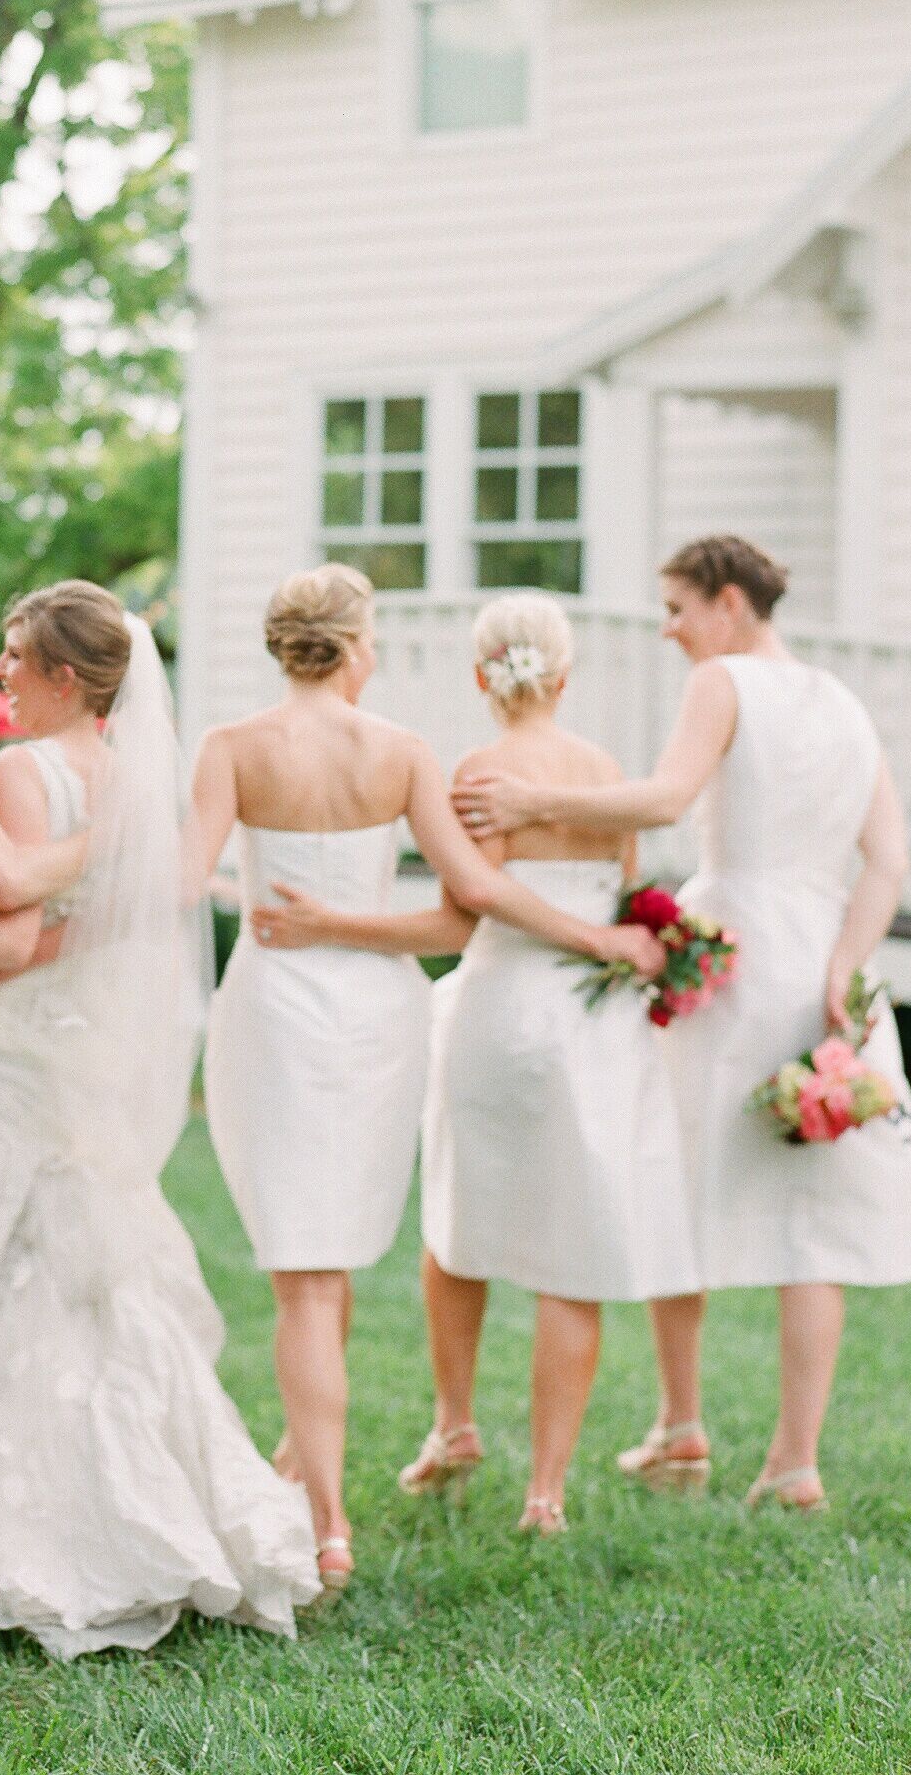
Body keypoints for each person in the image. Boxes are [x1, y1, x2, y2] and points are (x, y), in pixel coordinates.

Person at [184, 564, 664, 1587]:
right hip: (374, 1012)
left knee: (306, 1266)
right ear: (355, 646)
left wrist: (287, 909)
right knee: (336, 1252)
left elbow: (182, 883)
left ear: (283, 646)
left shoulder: (230, 747)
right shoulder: (404, 751)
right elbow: (460, 911)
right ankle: (324, 1473)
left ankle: (326, 1510)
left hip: (272, 999)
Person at [455, 536, 911, 1512]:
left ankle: (683, 1427)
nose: (669, 626)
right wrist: (845, 968)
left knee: (673, 1177)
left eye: (678, 606)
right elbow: (888, 858)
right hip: (820, 953)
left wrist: (534, 797)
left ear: (728, 604)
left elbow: (668, 798)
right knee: (810, 1215)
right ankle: (792, 1460)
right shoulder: (844, 701)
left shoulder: (723, 680)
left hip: (730, 950)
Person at [0, 582, 324, 1657]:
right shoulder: (132, 774)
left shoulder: (21, 768)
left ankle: (33, 1524)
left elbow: (5, 912)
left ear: (63, 678)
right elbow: (91, 922)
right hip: (73, 1046)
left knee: (0, 1267)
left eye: (12, 655)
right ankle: (153, 1498)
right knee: (90, 1275)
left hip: (10, 1047)